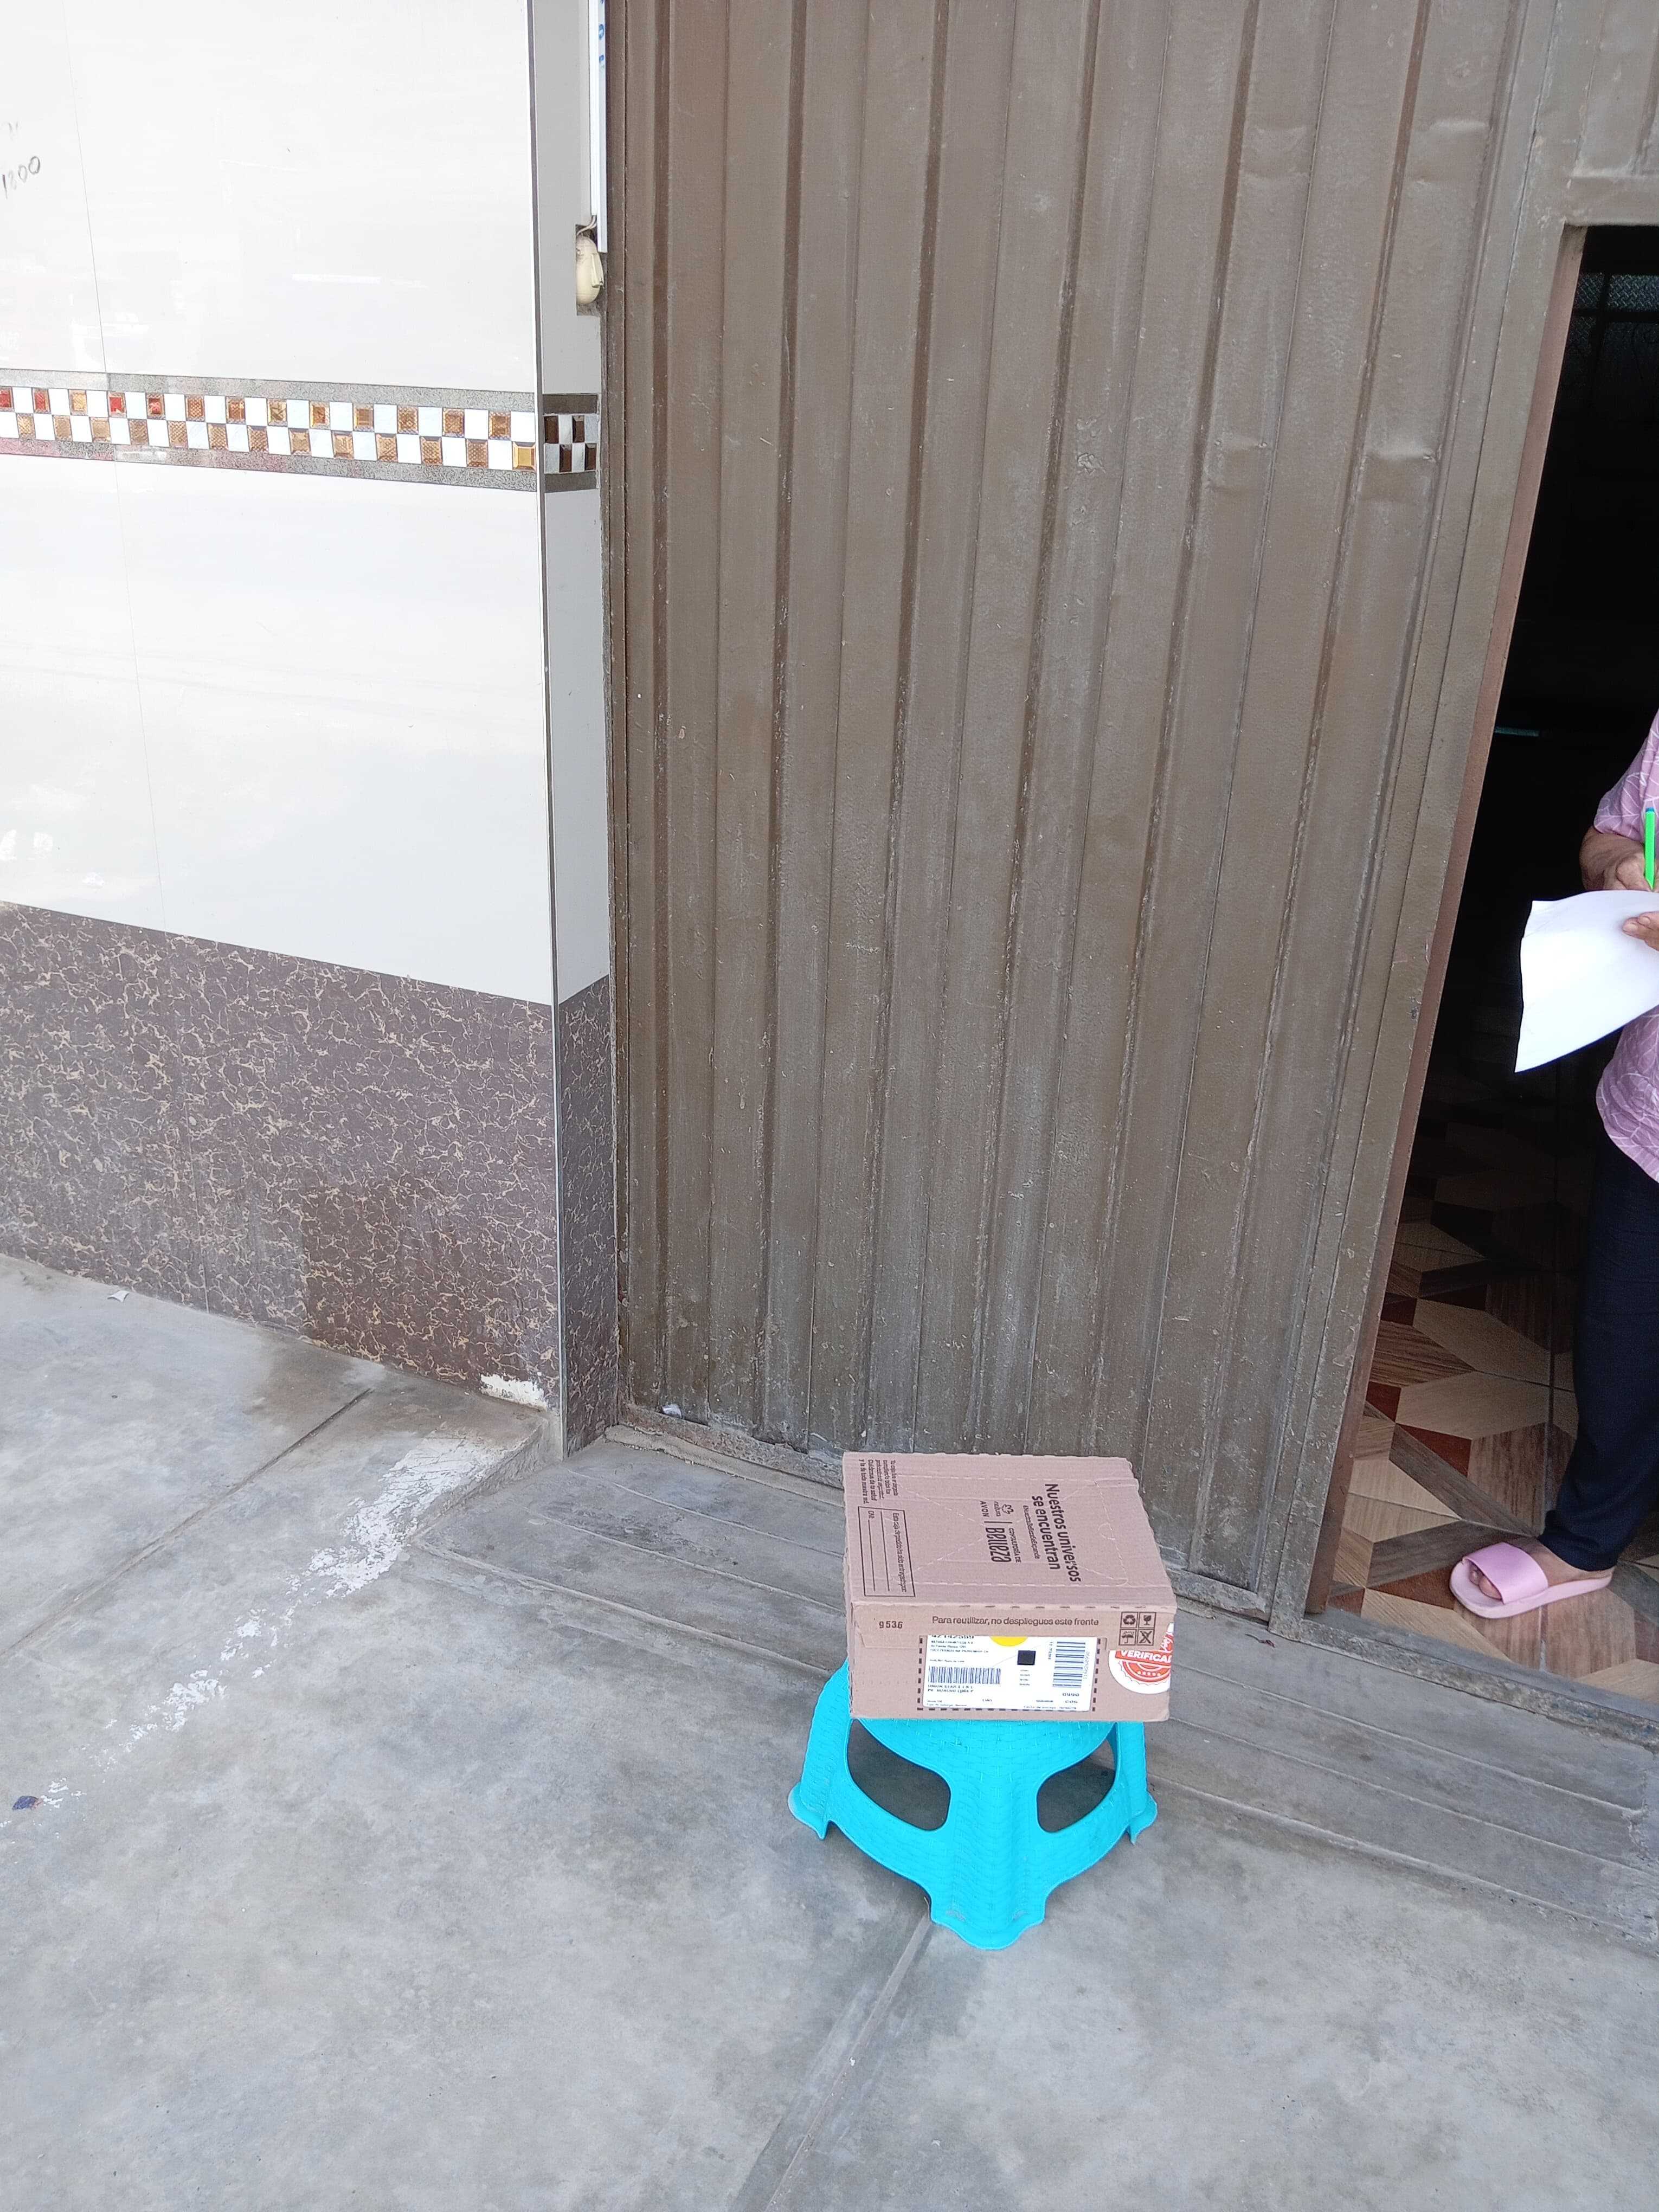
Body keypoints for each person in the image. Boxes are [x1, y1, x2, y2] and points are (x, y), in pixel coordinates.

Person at [1452, 710, 1659, 1619]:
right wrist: (1618, 870)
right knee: (1623, 1336)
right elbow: (1610, 832)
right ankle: (1585, 1540)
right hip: (1651, 1112)